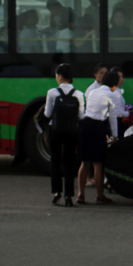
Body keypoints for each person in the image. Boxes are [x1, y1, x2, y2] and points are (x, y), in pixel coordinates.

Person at [44, 63, 85, 207]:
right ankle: (69, 195)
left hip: (55, 131)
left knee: (55, 160)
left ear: (60, 76)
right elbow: (81, 116)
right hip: (72, 131)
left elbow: (47, 114)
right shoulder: (79, 94)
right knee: (69, 161)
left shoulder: (52, 93)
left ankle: (57, 193)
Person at [77, 70, 119, 205]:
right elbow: (113, 117)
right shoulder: (111, 95)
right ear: (114, 84)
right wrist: (115, 136)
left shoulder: (93, 91)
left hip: (85, 125)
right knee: (98, 163)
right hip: (97, 127)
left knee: (85, 162)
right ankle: (100, 195)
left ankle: (80, 195)